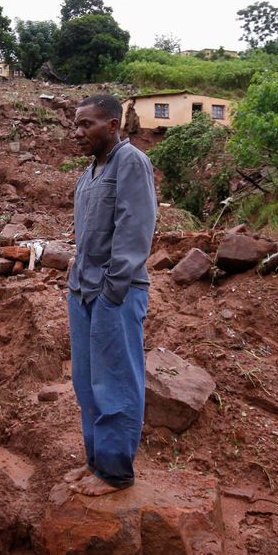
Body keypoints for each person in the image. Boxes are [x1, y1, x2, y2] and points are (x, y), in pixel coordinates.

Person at [65, 94, 157, 496]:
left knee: (115, 382)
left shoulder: (130, 162)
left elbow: (136, 229)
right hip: (83, 290)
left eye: (87, 124)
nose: (78, 132)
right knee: (87, 383)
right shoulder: (89, 173)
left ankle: (116, 473)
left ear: (113, 124)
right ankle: (96, 463)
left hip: (114, 292)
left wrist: (111, 290)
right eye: (76, 124)